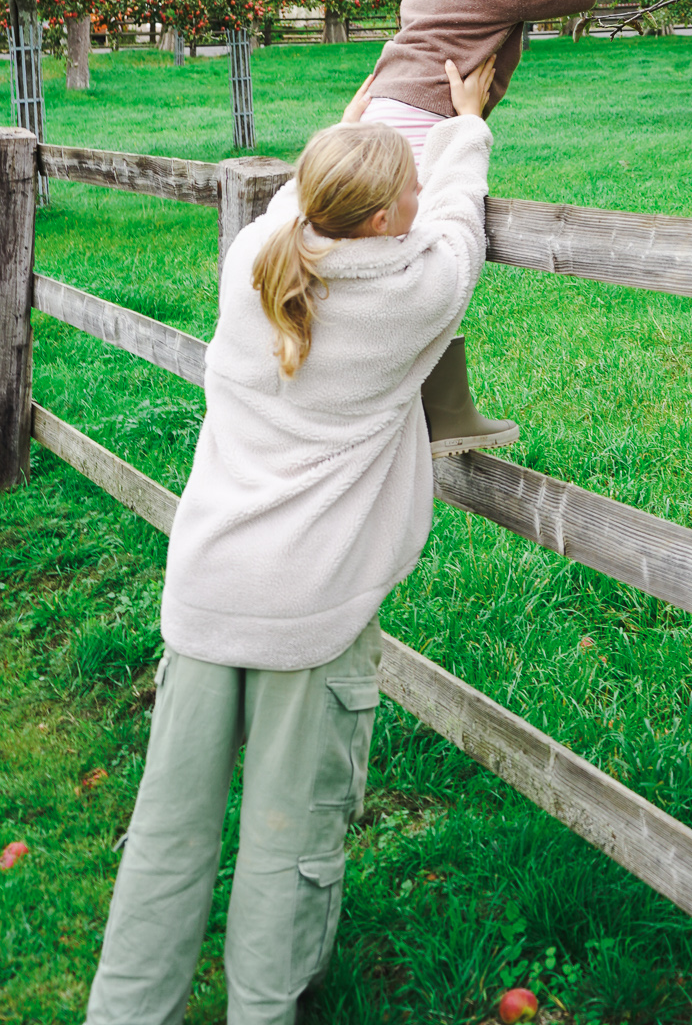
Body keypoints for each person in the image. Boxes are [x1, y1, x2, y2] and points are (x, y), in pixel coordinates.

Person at [85, 52, 497, 1025]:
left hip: (205, 588)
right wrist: (466, 122)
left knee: (168, 828)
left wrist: (354, 122)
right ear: (386, 217)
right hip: (309, 615)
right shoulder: (413, 294)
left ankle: (125, 1010)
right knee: (287, 838)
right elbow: (460, 217)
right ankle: (263, 1011)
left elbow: (295, 205)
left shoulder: (254, 263)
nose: (418, 195)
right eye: (405, 188)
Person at [359, 0, 599, 455]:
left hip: (382, 110)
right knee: (437, 260)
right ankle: (439, 410)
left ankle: (436, 405)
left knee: (397, 262)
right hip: (426, 122)